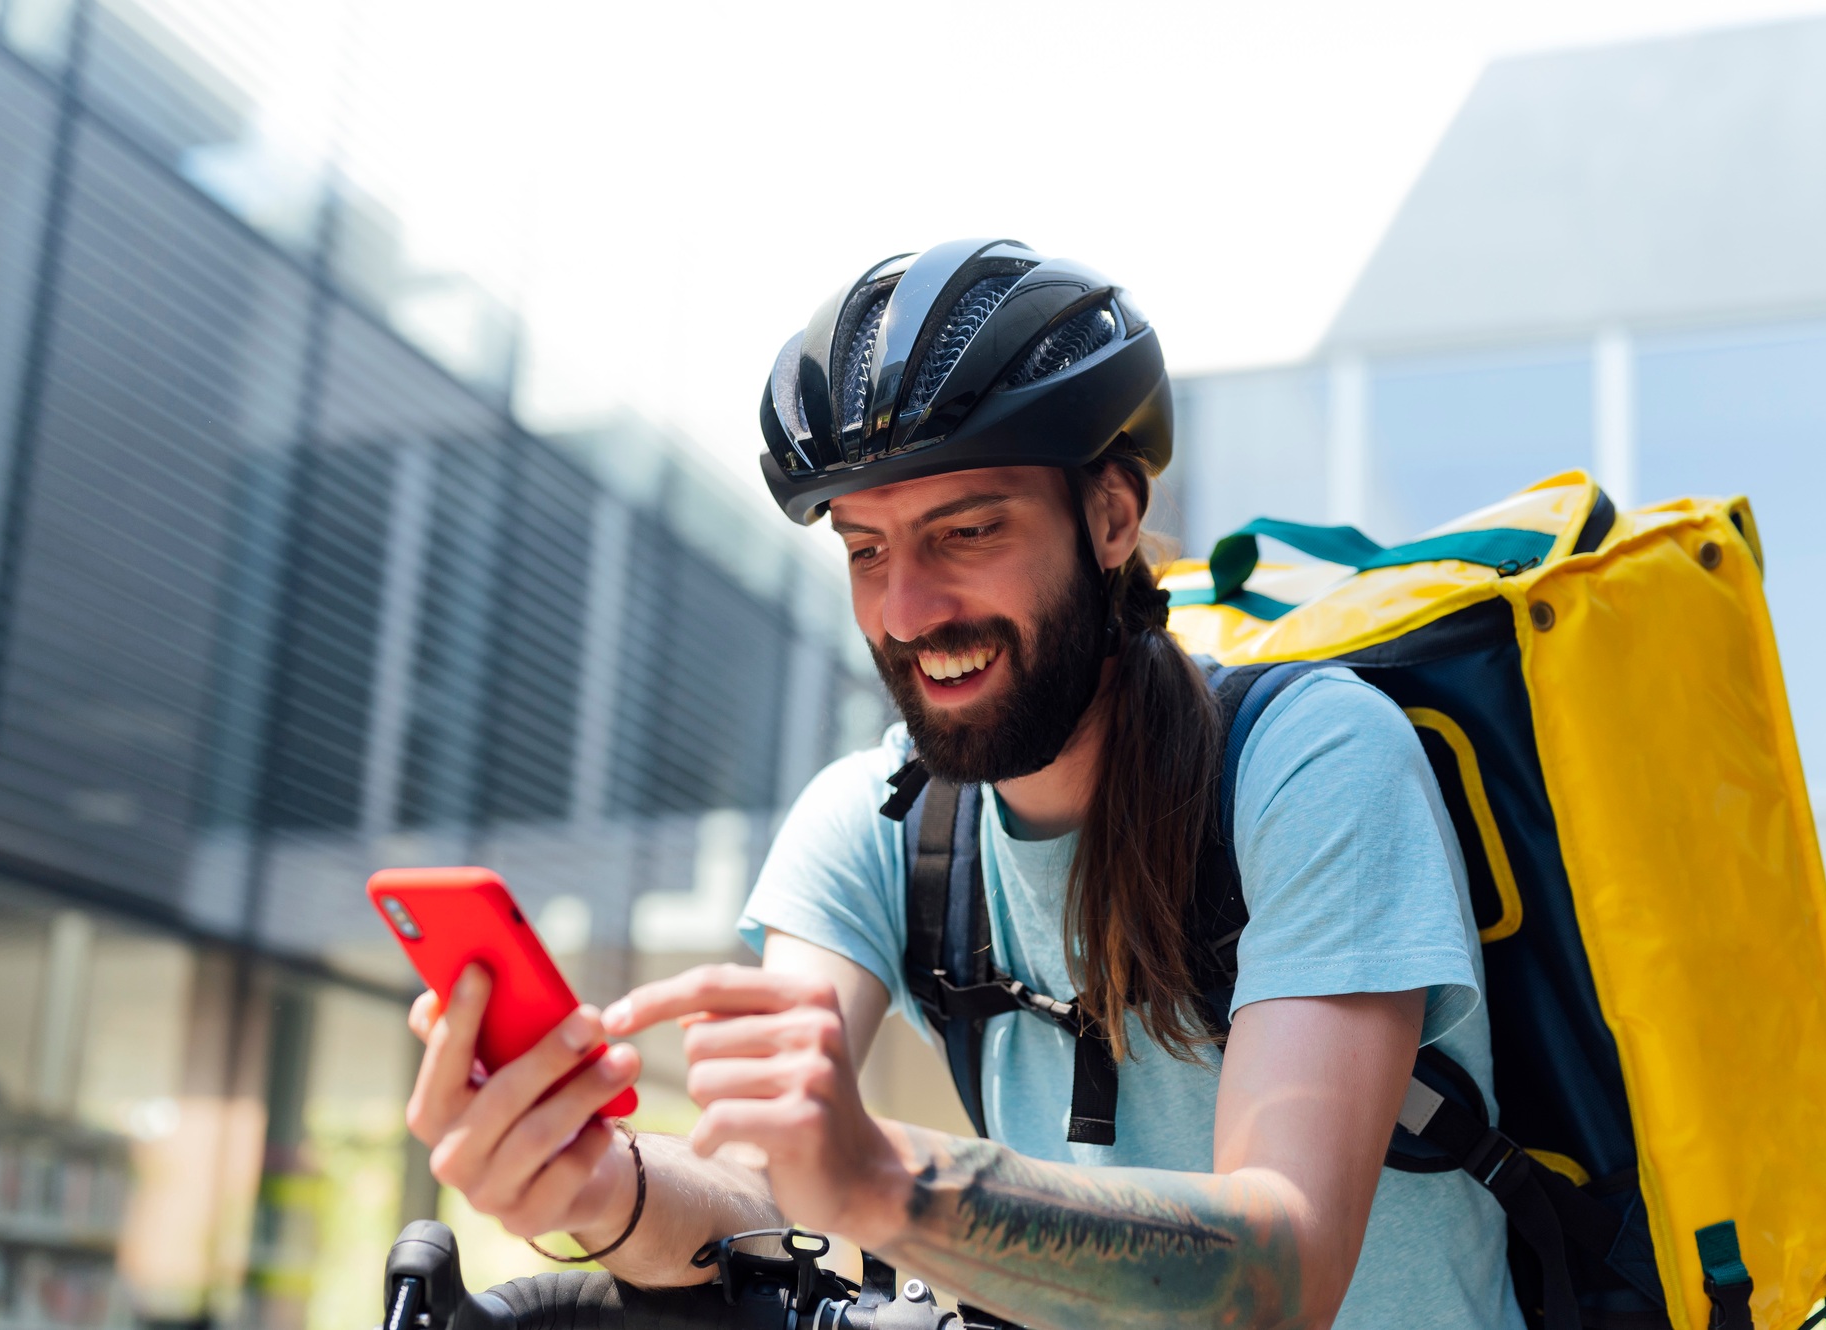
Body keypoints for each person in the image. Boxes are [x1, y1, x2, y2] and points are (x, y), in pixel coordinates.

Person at [404, 240, 1524, 1329]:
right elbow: (752, 1203)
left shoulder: (1316, 760)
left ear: (1111, 516)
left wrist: (882, 1177)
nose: (905, 610)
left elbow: (1281, 1272)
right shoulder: (872, 823)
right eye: (865, 549)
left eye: (966, 530)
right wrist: (600, 1184)